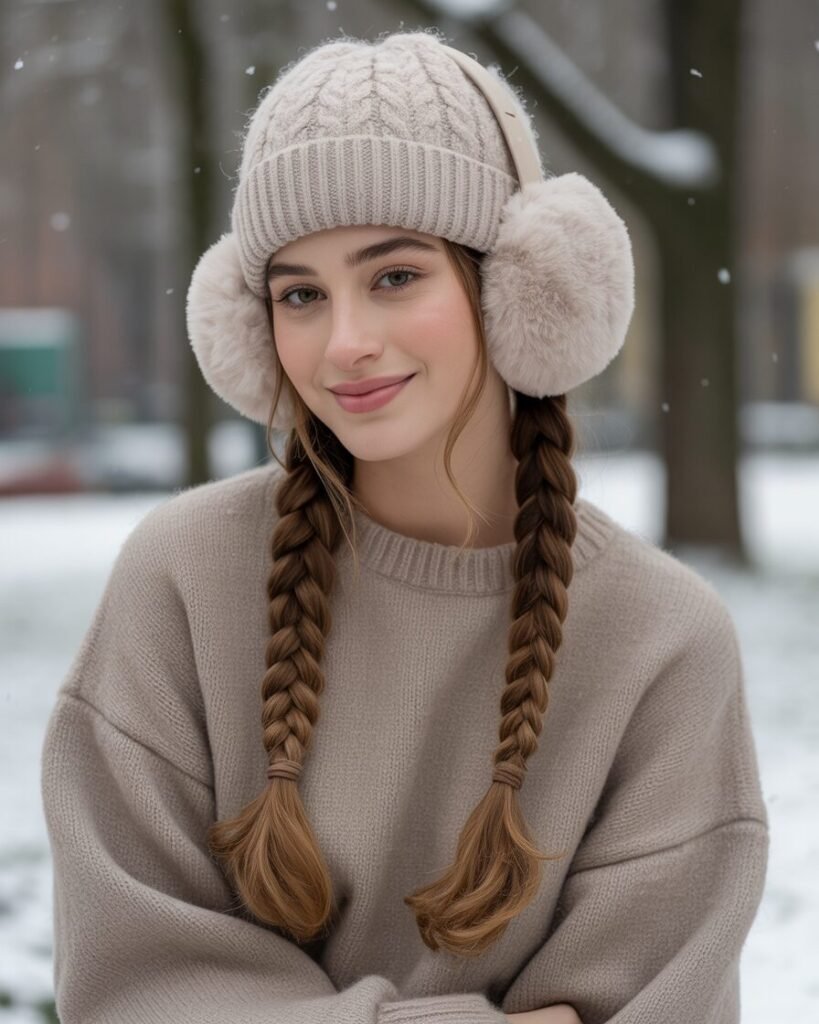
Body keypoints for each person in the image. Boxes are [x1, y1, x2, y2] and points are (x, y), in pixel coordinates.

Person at [40, 27, 769, 1024]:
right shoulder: (183, 580)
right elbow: (130, 985)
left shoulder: (664, 640)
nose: (345, 343)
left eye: (394, 276)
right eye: (301, 293)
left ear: (520, 285)